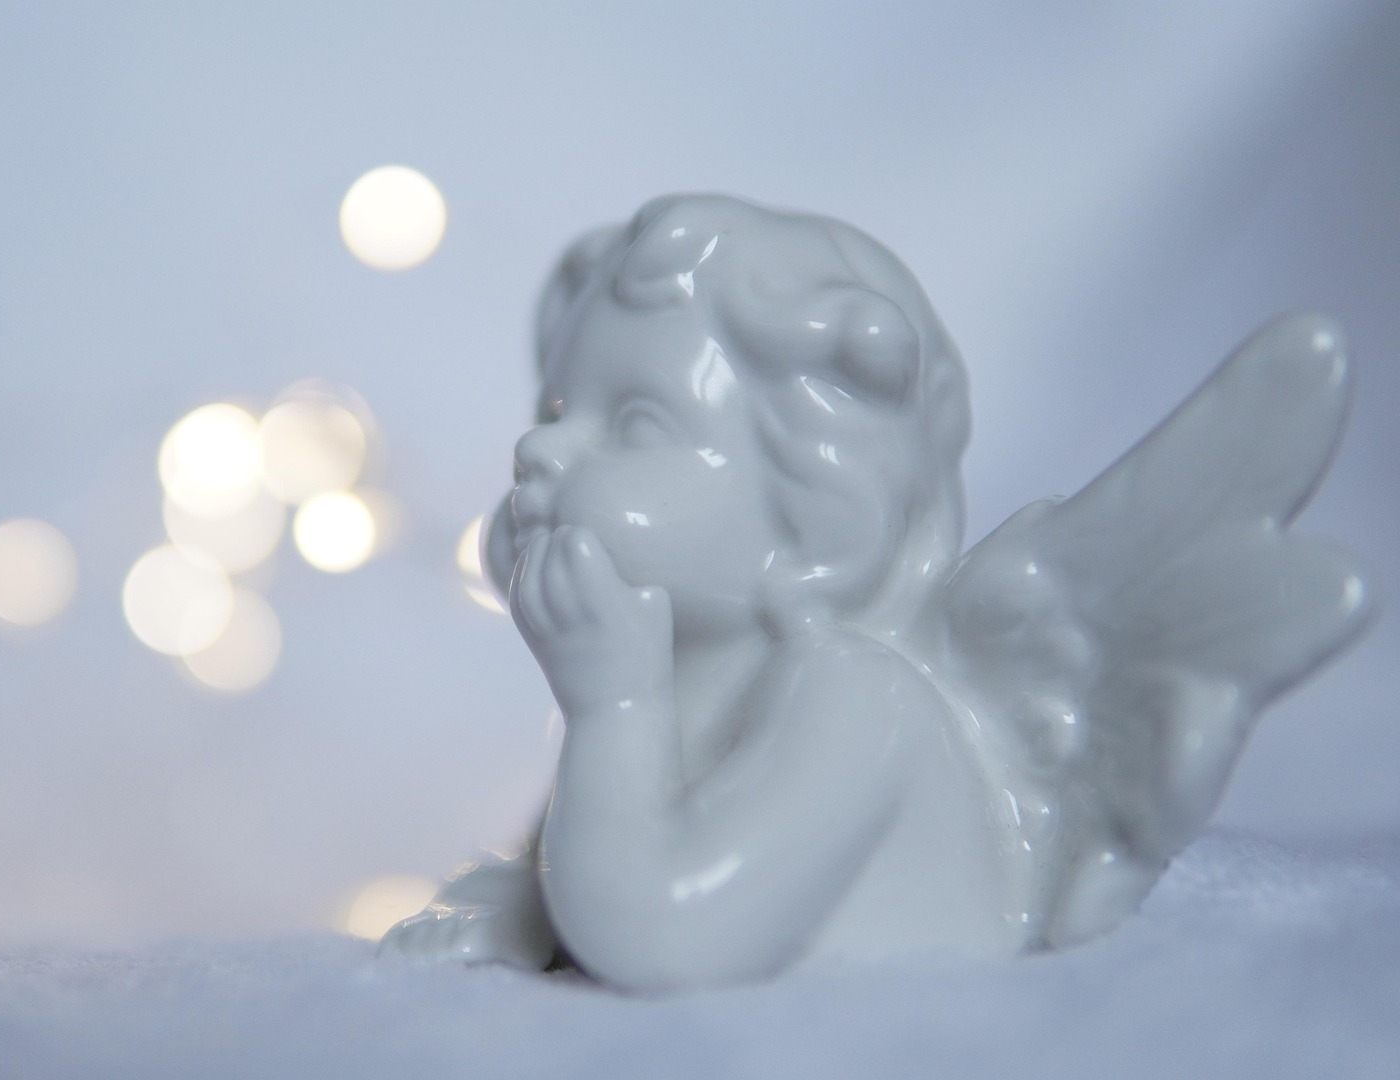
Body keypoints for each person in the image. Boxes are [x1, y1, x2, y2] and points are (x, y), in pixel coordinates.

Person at [380, 195, 1372, 992]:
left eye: (634, 424)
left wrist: (614, 707)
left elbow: (664, 937)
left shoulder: (859, 701)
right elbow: (581, 861)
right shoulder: (672, 675)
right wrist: (514, 900)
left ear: (816, 530)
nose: (541, 447)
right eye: (556, 406)